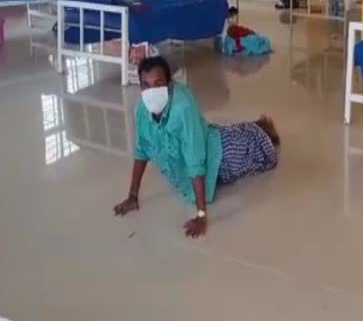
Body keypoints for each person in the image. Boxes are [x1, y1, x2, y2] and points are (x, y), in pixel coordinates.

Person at [113, 56, 279, 238]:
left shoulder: (182, 108)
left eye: (158, 84)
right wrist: (132, 196)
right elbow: (141, 150)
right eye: (146, 85)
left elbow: (195, 157)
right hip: (199, 146)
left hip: (217, 156)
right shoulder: (141, 111)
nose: (151, 91)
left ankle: (263, 129)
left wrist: (201, 215)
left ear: (168, 85)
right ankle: (256, 127)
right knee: (230, 136)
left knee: (253, 149)